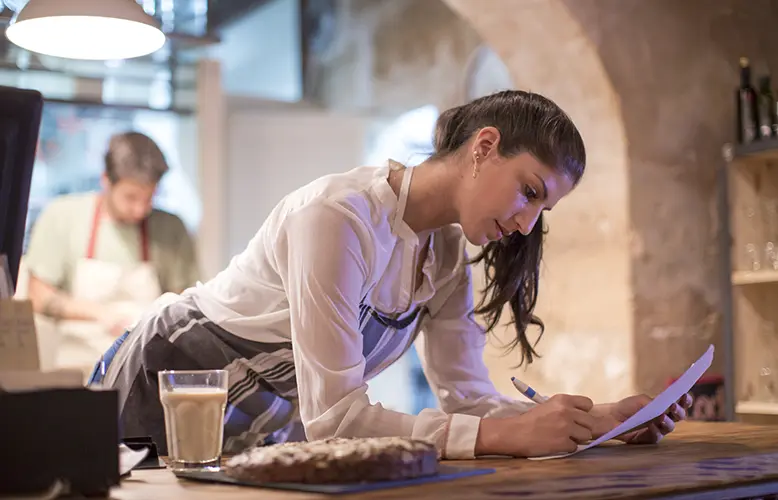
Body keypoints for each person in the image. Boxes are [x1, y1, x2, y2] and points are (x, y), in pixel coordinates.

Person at [92, 91, 692, 459]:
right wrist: (511, 436)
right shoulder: (338, 216)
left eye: (544, 210)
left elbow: (469, 399)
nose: (529, 224)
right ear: (484, 146)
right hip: (161, 382)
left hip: (252, 423)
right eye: (529, 192)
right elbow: (335, 423)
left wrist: (597, 422)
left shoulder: (448, 255)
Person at [25, 131, 199, 376]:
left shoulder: (171, 229)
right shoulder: (62, 217)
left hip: (146, 371)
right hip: (79, 369)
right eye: (130, 197)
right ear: (106, 180)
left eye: (149, 198)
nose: (140, 209)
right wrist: (102, 315)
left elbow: (188, 301)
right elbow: (38, 296)